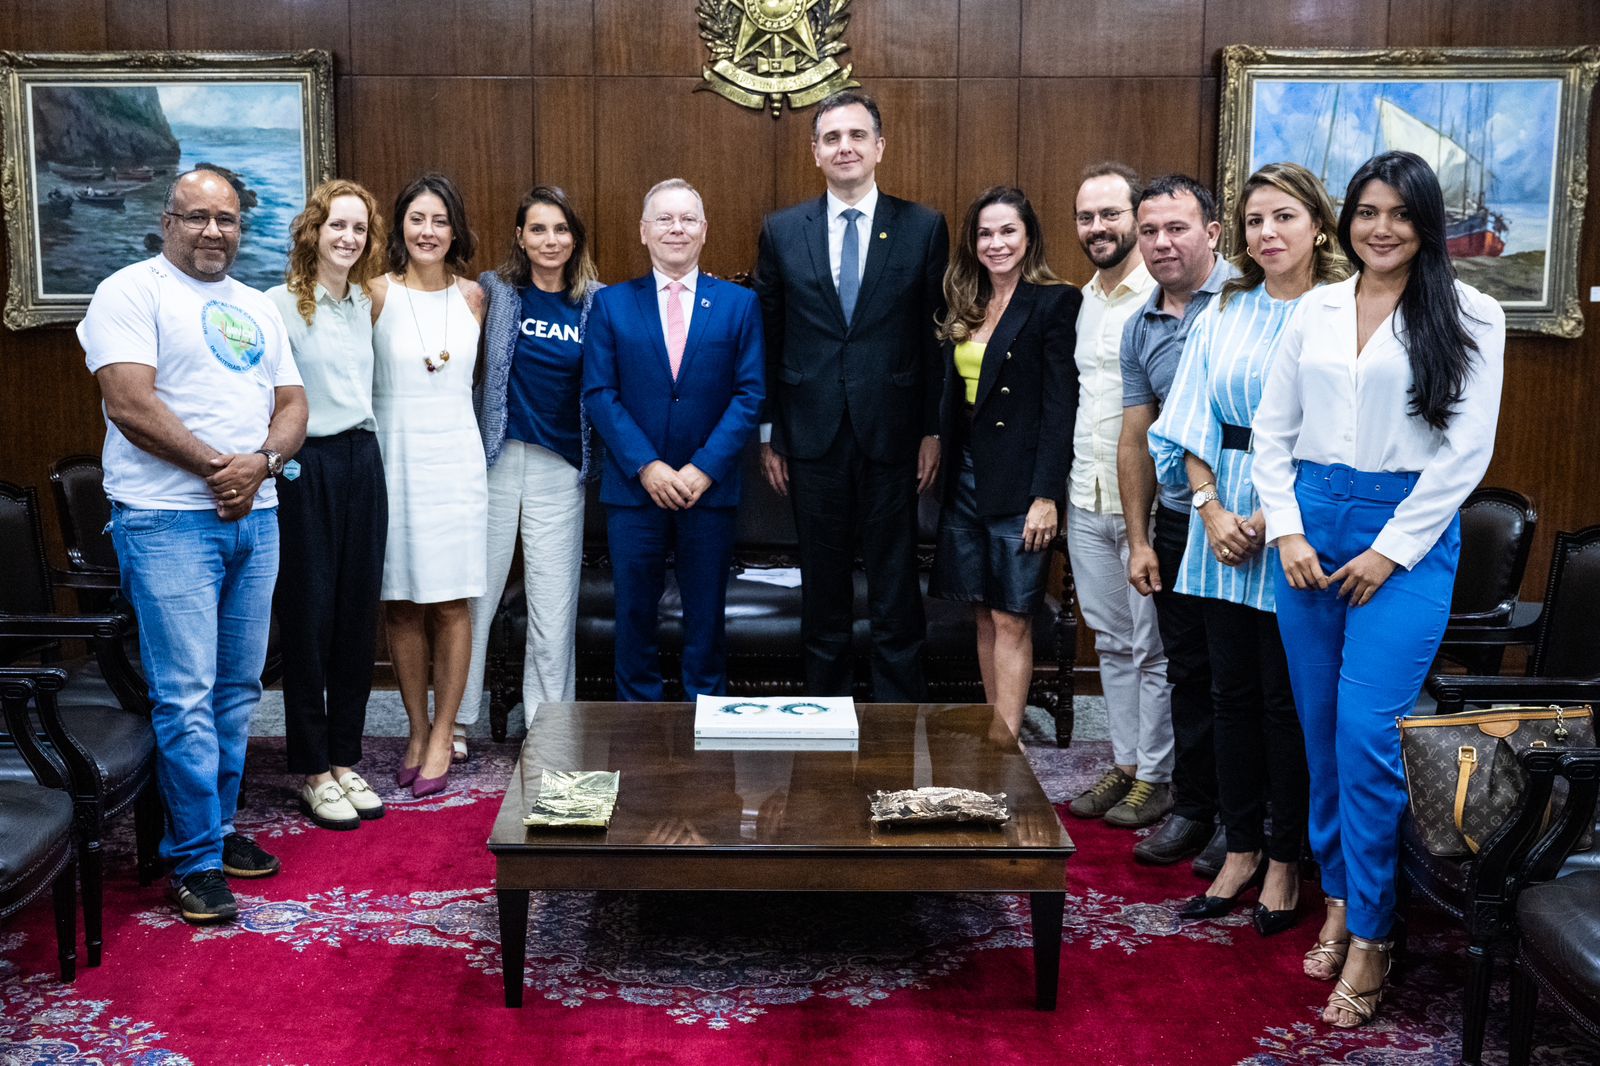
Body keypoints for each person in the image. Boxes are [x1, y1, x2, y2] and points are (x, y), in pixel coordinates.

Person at [1253, 150, 1504, 1027]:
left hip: (1408, 533)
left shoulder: (1473, 311)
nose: (1382, 227)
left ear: (1427, 221)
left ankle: (1373, 932)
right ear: (1347, 221)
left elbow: (1465, 455)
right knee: (1319, 733)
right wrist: (1286, 527)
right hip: (1310, 532)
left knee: (1366, 737)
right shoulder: (1316, 307)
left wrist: (1391, 552)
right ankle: (1336, 898)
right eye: (1367, 210)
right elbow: (1273, 433)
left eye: (1400, 212)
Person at [79, 167, 307, 924]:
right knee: (184, 696)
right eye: (199, 217)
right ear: (168, 219)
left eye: (229, 219)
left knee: (238, 690)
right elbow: (129, 401)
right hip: (169, 519)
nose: (215, 231)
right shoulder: (130, 291)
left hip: (258, 514)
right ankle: (195, 859)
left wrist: (261, 466)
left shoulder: (255, 306)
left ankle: (214, 827)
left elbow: (293, 402)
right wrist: (220, 469)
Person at [1149, 162, 1347, 934]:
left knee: (1282, 703)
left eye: (1285, 218)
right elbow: (1186, 410)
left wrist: (1269, 515)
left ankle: (1285, 859)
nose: (1269, 233)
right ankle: (1237, 849)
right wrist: (1209, 506)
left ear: (1319, 227)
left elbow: (1332, 431)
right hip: (1217, 522)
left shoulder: (1339, 312)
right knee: (1225, 694)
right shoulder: (1225, 308)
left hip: (1296, 522)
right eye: (1257, 220)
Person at [754, 89, 948, 701]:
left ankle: (897, 723)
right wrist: (771, 433)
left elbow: (934, 337)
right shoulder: (783, 230)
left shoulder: (922, 227)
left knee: (895, 590)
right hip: (810, 438)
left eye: (857, 135)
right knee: (824, 590)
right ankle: (824, 718)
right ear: (815, 152)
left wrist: (932, 431)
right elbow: (770, 336)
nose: (845, 147)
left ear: (879, 146)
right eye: (832, 138)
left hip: (893, 435)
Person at [582, 179, 764, 699]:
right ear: (644, 232)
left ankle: (705, 719)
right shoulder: (612, 305)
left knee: (706, 616)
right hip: (635, 489)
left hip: (710, 489)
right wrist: (648, 466)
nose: (676, 228)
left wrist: (702, 468)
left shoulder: (738, 305)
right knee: (634, 613)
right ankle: (637, 725)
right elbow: (599, 392)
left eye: (687, 219)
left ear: (704, 231)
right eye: (664, 219)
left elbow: (750, 395)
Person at [1060, 163, 1185, 859]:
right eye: (1087, 217)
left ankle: (1158, 776)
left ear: (1136, 219)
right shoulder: (1084, 300)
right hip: (1087, 494)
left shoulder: (1164, 298)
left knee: (1152, 647)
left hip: (1149, 502)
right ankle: (1128, 763)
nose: (1098, 228)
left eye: (1111, 215)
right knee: (1109, 640)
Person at [929, 186, 1079, 737]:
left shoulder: (1055, 301)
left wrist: (1047, 496)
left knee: (1013, 614)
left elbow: (1061, 406)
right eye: (985, 233)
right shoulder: (964, 301)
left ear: (1029, 237)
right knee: (981, 608)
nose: (996, 243)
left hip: (1021, 484)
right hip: (966, 475)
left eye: (1007, 231)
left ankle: (1006, 745)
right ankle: (999, 728)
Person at [1113, 175, 1237, 836]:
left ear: (1212, 233)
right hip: (1178, 527)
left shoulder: (1251, 302)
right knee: (1187, 674)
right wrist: (1139, 539)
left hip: (1248, 529)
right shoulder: (1141, 327)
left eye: (1177, 228)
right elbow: (1135, 438)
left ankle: (1246, 823)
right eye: (1150, 231)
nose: (1161, 243)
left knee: (1244, 682)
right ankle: (1194, 808)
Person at [266, 179, 390, 831]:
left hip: (362, 461)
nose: (348, 239)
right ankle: (313, 767)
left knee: (354, 614)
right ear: (312, 231)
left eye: (360, 230)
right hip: (304, 466)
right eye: (337, 226)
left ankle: (346, 758)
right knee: (309, 618)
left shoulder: (364, 302)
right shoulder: (276, 306)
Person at [461, 185, 602, 747]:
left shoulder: (596, 301)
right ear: (520, 236)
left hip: (560, 467)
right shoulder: (493, 293)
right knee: (478, 596)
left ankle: (548, 725)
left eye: (561, 229)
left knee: (552, 604)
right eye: (538, 229)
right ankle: (460, 719)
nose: (550, 240)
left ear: (575, 239)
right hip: (495, 461)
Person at [368, 174, 488, 797]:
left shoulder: (475, 298)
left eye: (440, 220)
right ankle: (415, 728)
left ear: (455, 229)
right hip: (393, 459)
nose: (428, 231)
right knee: (401, 600)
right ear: (400, 227)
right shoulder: (374, 295)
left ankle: (444, 732)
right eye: (417, 218)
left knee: (451, 601)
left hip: (456, 463)